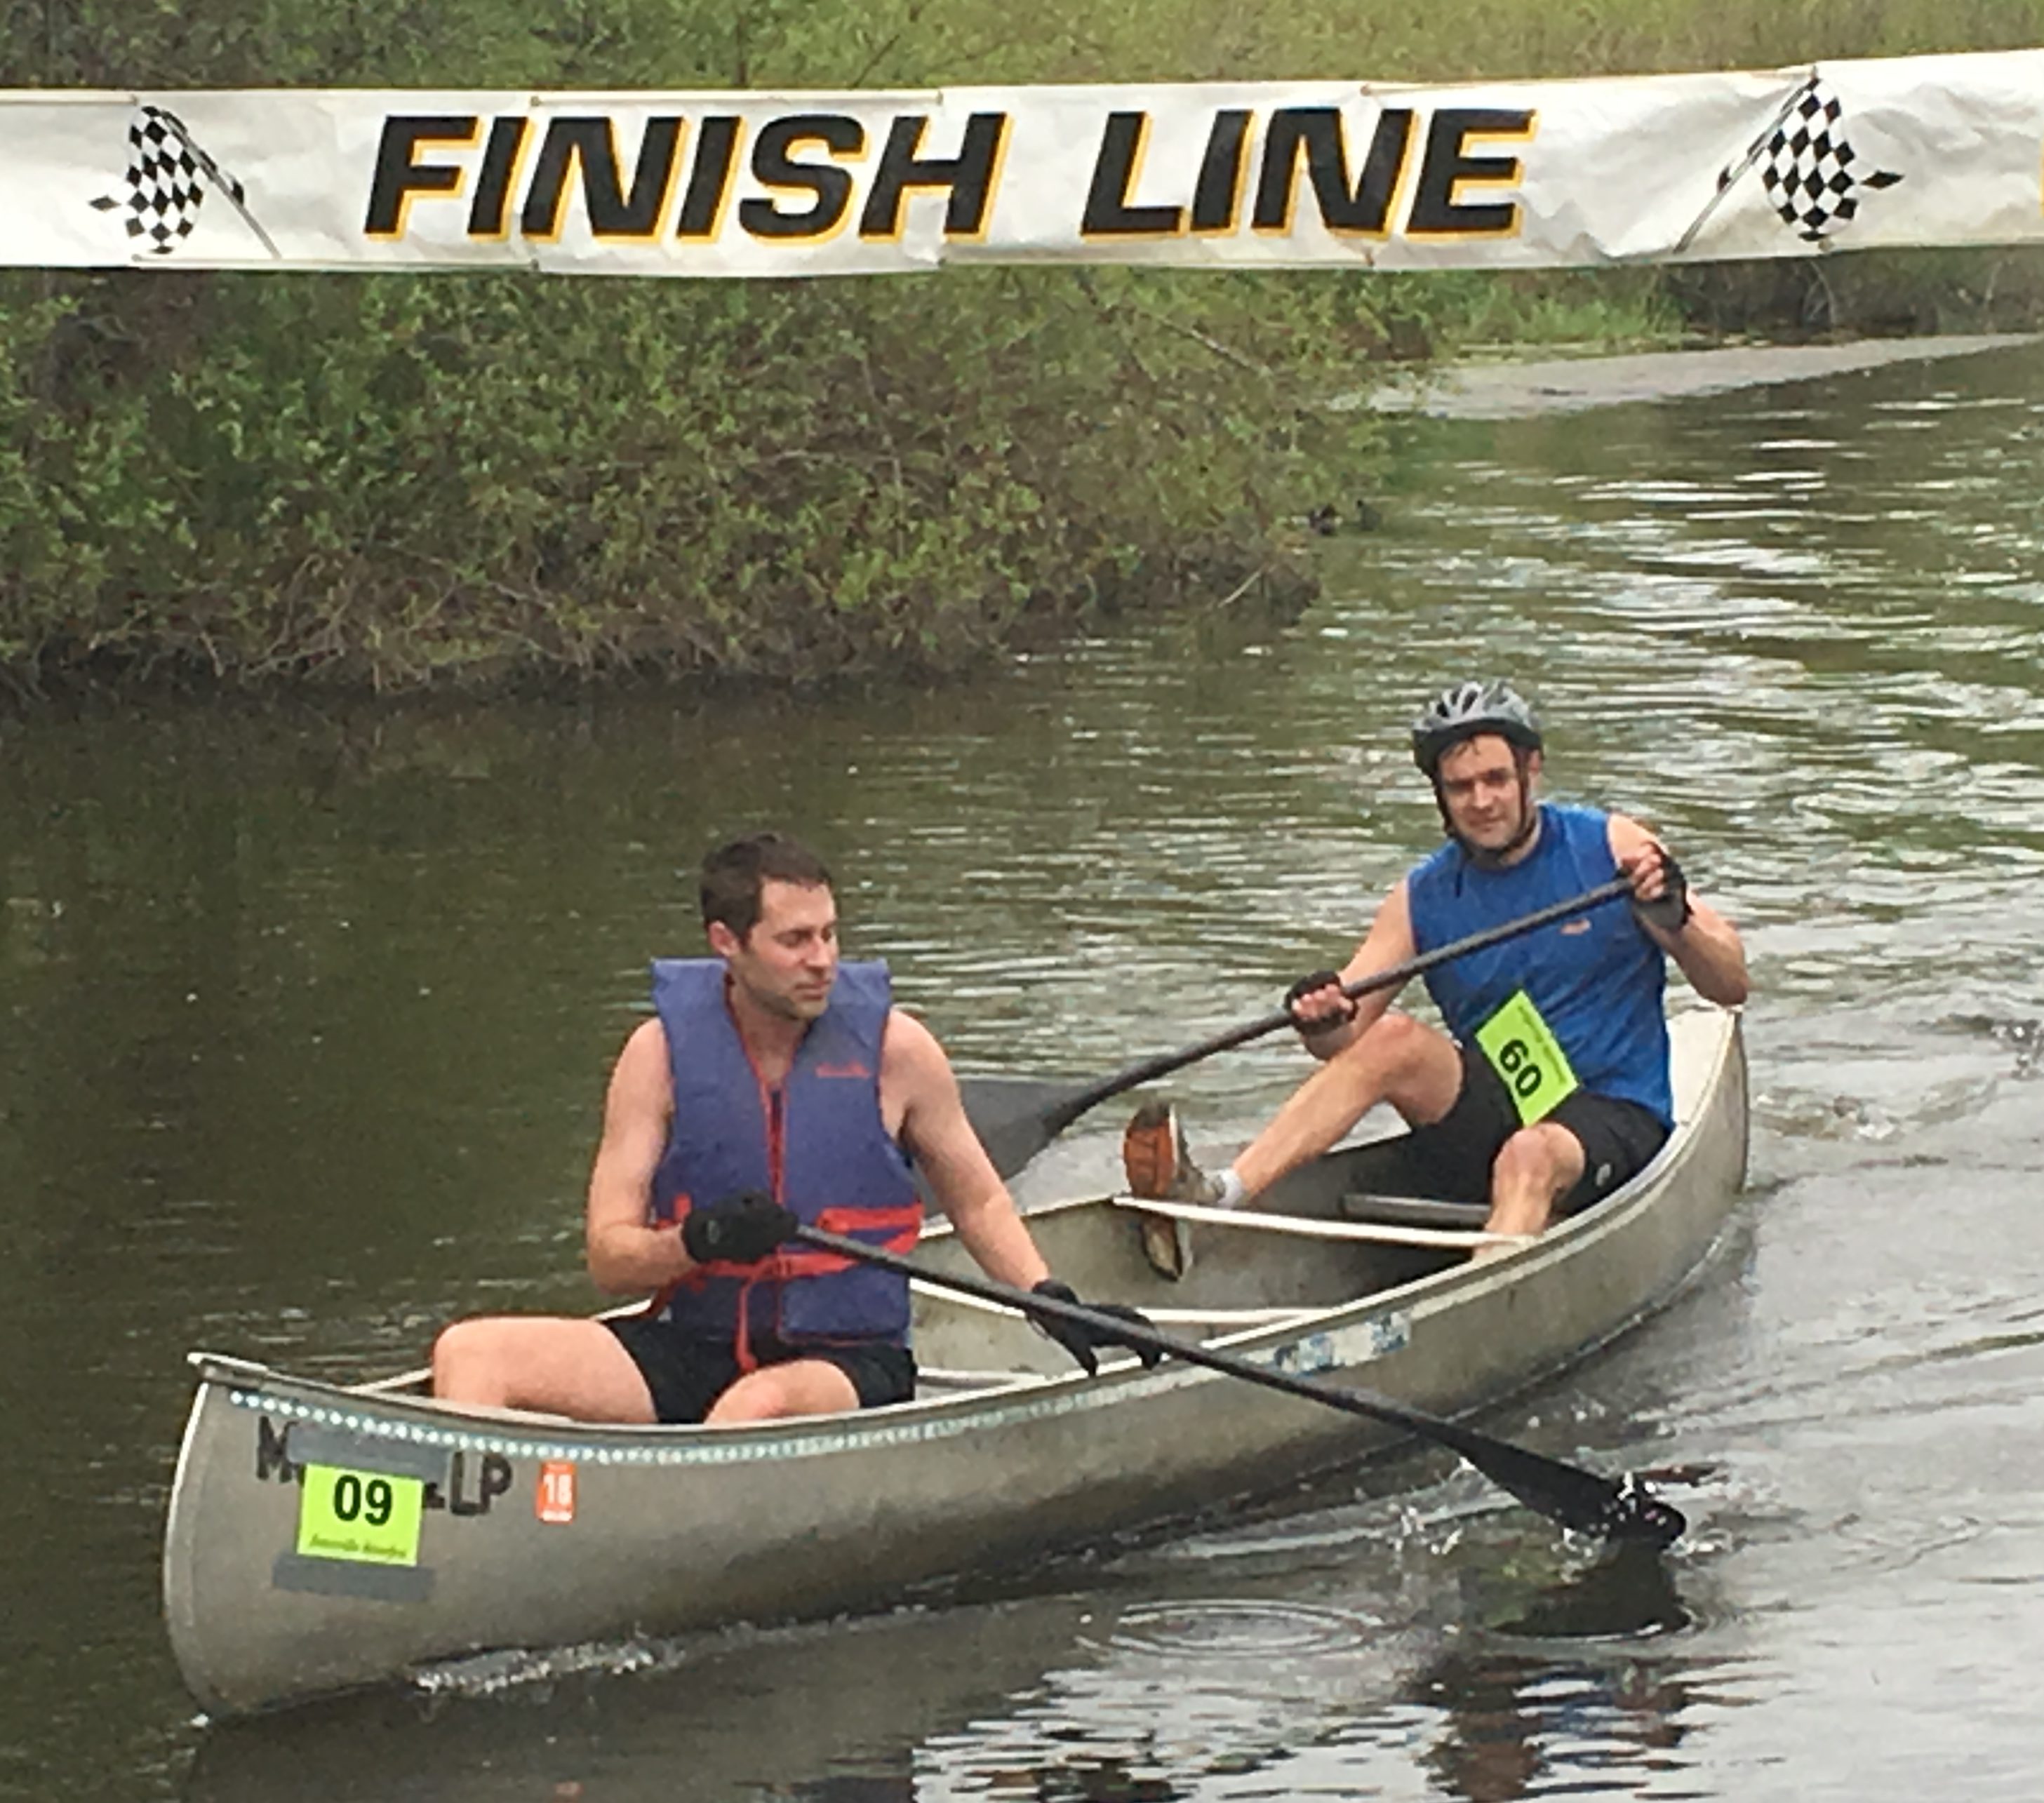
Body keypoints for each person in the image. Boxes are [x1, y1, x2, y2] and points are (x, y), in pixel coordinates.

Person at [434, 831, 1154, 1423]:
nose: (822, 960)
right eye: (795, 939)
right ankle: (462, 1550)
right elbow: (608, 1259)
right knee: (470, 1352)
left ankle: (679, 1553)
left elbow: (979, 1202)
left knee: (755, 1404)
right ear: (727, 941)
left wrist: (1047, 1296)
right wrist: (700, 1240)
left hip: (847, 1358)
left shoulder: (899, 1051)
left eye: (830, 934)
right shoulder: (656, 1057)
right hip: (694, 1343)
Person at [1121, 680, 1749, 1264]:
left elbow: (1729, 984)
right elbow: (1341, 1043)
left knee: (1528, 1155)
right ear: (1439, 794)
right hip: (1504, 1107)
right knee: (1392, 1039)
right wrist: (1320, 1018)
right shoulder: (1421, 895)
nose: (1481, 802)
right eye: (1460, 786)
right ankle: (1218, 1200)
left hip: (1614, 1111)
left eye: (1496, 779)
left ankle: (1484, 1299)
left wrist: (1676, 920)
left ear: (1530, 772)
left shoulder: (1612, 847)